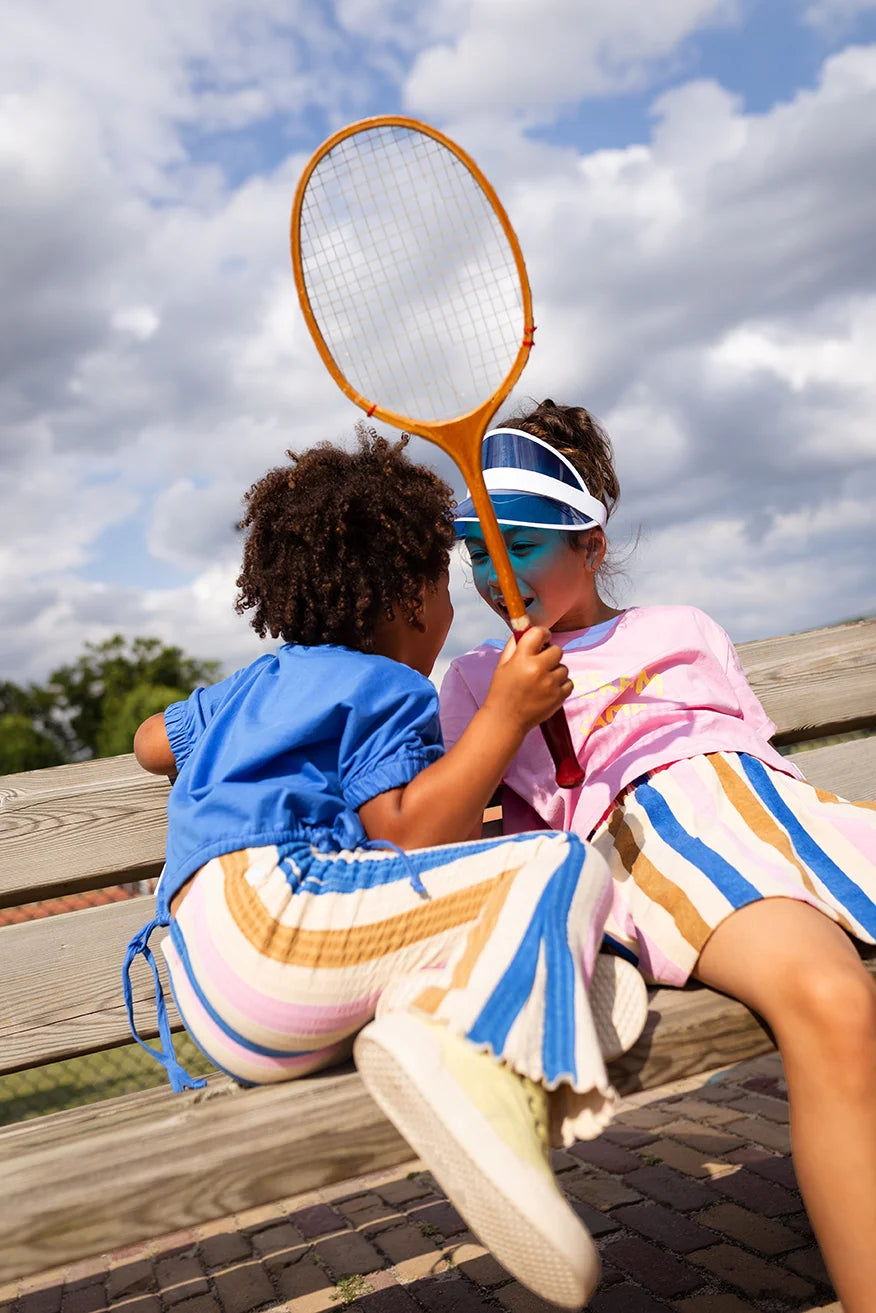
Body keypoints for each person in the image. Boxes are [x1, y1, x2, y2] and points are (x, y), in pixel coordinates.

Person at [124, 426, 648, 1310]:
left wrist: (229, 737)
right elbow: (409, 839)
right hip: (281, 924)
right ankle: (489, 1092)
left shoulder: (251, 686)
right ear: (411, 596)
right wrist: (506, 716)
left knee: (464, 908)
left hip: (219, 1005)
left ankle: (433, 1016)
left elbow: (147, 746)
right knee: (555, 861)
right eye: (443, 583)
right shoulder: (383, 685)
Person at [440, 399, 876, 1313]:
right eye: (478, 550)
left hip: (776, 812)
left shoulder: (685, 625)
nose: (495, 575)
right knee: (835, 1001)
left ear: (590, 545)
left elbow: (757, 759)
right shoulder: (482, 677)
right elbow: (514, 844)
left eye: (519, 545)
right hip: (663, 838)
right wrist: (509, 712)